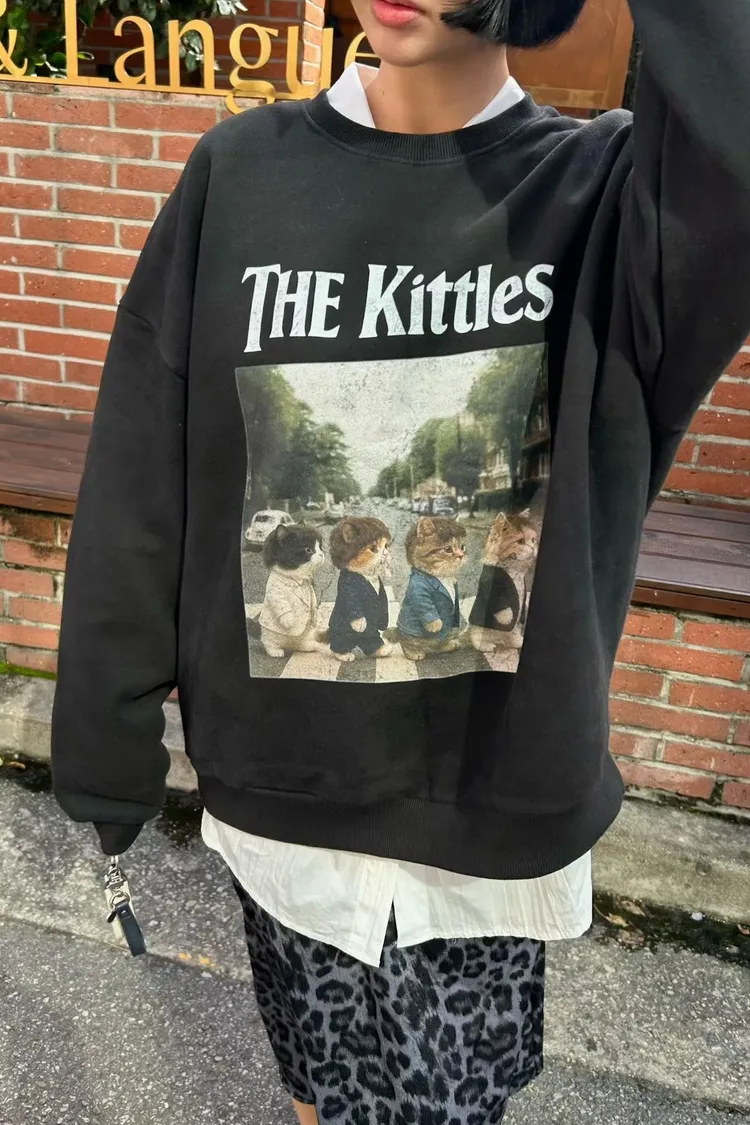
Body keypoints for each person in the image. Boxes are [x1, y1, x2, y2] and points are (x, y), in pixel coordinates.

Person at [50, 0, 750, 1122]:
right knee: (316, 1090)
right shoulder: (240, 173)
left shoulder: (613, 204)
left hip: (490, 813)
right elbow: (144, 471)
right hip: (281, 798)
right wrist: (105, 740)